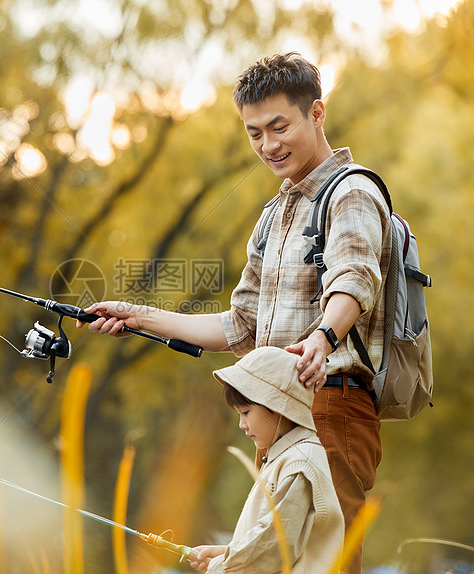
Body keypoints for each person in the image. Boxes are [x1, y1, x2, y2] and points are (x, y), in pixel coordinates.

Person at [78, 52, 391, 573]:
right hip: (280, 413)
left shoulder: (351, 192)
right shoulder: (273, 215)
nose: (268, 145)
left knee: (327, 565)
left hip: (331, 407)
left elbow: (355, 281)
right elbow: (238, 326)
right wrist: (137, 316)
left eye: (278, 126)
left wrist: (322, 338)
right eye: (253, 133)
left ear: (316, 114)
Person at [188, 346, 344, 573]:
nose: (242, 424)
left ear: (277, 404)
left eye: (246, 412)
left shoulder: (299, 463)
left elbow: (275, 543)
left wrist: (223, 567)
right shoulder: (283, 457)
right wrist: (227, 553)